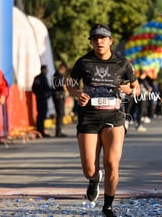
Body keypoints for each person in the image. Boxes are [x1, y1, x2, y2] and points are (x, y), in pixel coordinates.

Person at [66, 23, 140, 217]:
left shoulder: (123, 64)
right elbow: (70, 83)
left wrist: (130, 90)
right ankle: (93, 179)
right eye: (95, 38)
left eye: (103, 38)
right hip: (89, 118)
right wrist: (76, 93)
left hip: (114, 117)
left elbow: (136, 87)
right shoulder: (83, 63)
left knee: (111, 163)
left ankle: (107, 206)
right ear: (91, 42)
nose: (99, 41)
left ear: (110, 41)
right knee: (89, 168)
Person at [32, 65, 53, 137]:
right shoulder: (42, 78)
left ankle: (39, 131)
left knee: (40, 115)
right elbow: (47, 88)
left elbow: (34, 88)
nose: (46, 71)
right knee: (42, 115)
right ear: (43, 70)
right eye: (46, 70)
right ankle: (41, 131)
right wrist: (47, 94)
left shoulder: (37, 78)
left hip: (39, 99)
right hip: (43, 99)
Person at [52, 63, 68, 137]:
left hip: (56, 96)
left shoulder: (55, 74)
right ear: (63, 68)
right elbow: (63, 85)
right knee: (60, 113)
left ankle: (58, 131)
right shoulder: (59, 75)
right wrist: (66, 91)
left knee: (59, 114)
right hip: (59, 96)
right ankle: (58, 132)